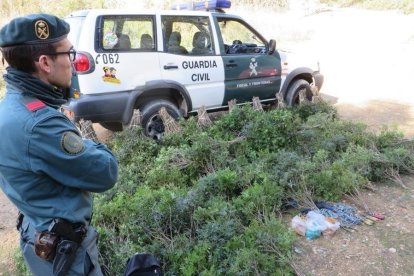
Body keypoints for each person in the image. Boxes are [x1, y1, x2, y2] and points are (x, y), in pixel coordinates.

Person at [0, 13, 118, 275]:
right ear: (45, 63)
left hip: (38, 235)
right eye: (69, 53)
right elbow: (106, 172)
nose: (73, 63)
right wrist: (80, 136)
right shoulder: (41, 124)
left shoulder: (9, 107)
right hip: (66, 254)